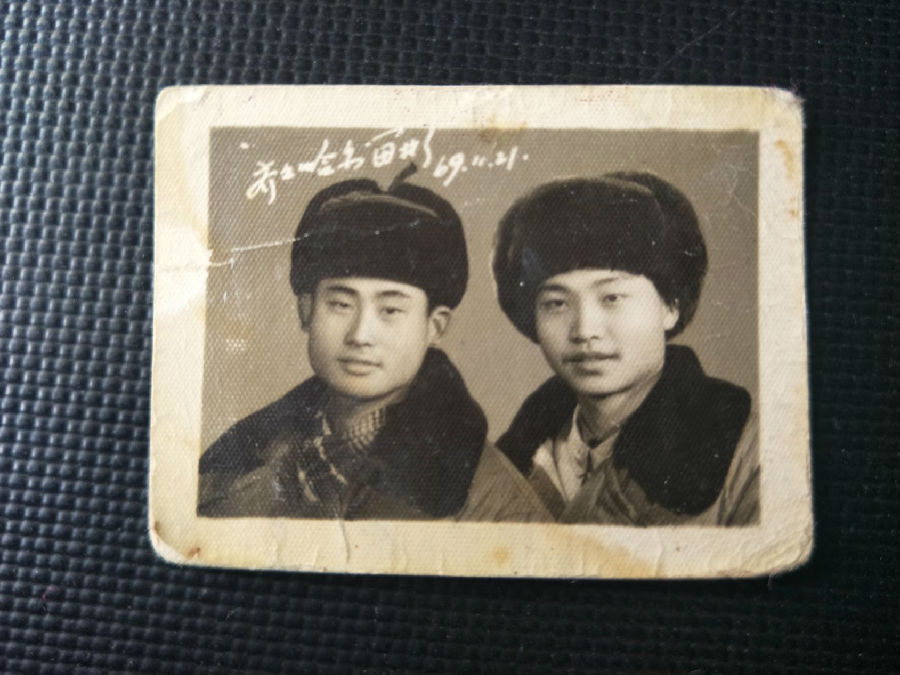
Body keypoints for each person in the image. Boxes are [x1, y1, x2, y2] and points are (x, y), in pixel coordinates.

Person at [199, 171, 549, 522]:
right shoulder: (237, 460)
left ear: (434, 326)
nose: (360, 335)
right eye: (341, 304)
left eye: (390, 310)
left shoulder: (494, 499)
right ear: (305, 310)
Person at [492, 173, 759, 526]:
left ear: (670, 305)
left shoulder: (749, 453)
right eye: (556, 303)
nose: (584, 331)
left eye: (612, 298)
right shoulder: (510, 461)